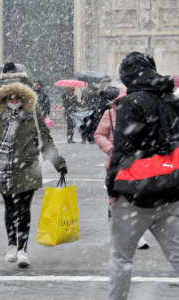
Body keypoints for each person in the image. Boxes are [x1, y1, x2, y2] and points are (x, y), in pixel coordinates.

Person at [106, 52, 179, 299]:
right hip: (170, 191)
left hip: (135, 194)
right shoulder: (171, 100)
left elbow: (123, 150)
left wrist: (112, 189)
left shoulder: (131, 102)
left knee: (121, 257)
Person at [0, 62, 67, 268]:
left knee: (24, 210)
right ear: (3, 97)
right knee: (10, 208)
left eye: (17, 96)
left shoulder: (32, 114)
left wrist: (59, 163)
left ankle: (22, 249)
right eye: (9, 96)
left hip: (28, 168)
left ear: (23, 96)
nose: (13, 100)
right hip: (5, 169)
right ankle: (11, 244)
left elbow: (46, 140)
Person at [94, 88, 150, 250]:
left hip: (138, 163)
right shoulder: (110, 114)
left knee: (137, 199)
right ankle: (117, 234)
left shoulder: (142, 115)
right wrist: (111, 149)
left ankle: (137, 235)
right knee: (115, 200)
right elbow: (99, 134)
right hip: (116, 163)